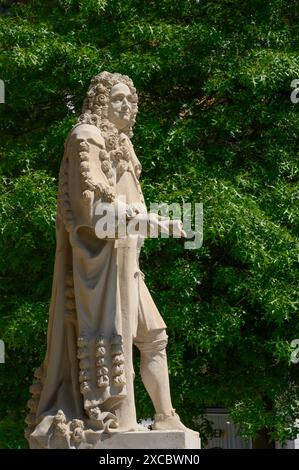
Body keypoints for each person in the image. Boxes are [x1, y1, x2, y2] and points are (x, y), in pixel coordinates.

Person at [25, 71, 194, 448]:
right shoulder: (85, 139)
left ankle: (166, 416)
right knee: (115, 339)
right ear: (99, 101)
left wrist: (156, 222)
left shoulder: (123, 145)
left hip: (129, 264)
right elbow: (91, 213)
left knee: (154, 336)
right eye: (118, 99)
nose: (127, 106)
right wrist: (148, 221)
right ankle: (116, 419)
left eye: (131, 101)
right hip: (102, 267)